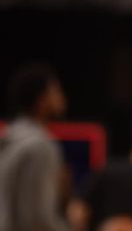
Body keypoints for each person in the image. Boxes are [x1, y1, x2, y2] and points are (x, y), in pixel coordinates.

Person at [0, 62, 71, 231]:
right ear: (42, 99)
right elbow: (38, 220)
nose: (61, 98)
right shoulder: (40, 146)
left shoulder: (10, 137)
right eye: (56, 91)